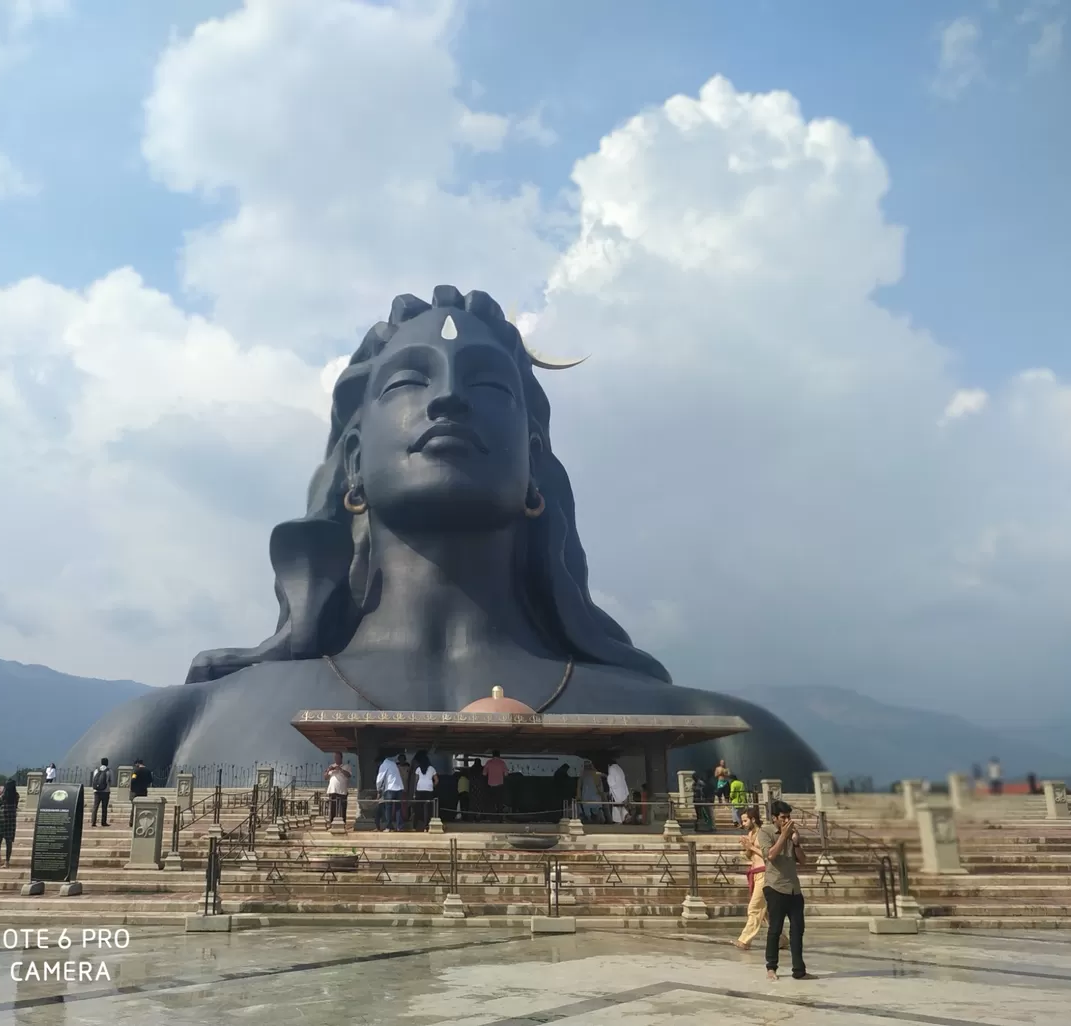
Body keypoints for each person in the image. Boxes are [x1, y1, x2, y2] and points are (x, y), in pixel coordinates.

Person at [63, 288, 827, 787]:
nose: (451, 401)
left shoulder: (726, 740)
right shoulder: (163, 734)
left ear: (536, 460)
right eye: (410, 381)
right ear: (353, 462)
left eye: (488, 384)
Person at [757, 800, 811, 981]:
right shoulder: (765, 832)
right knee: (775, 929)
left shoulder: (793, 835)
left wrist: (796, 843)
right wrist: (783, 835)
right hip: (775, 887)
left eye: (788, 816)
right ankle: (771, 967)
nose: (787, 820)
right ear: (774, 818)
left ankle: (799, 969)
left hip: (794, 889)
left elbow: (803, 861)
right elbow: (770, 855)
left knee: (798, 930)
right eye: (783, 817)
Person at [734, 806, 787, 951]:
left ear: (753, 819)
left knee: (755, 907)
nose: (743, 824)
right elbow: (749, 855)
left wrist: (751, 846)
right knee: (766, 912)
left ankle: (744, 940)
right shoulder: (751, 833)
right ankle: (782, 939)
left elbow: (768, 854)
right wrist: (746, 847)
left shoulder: (763, 833)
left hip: (766, 873)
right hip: (755, 873)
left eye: (745, 820)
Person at [375, 752, 405, 831]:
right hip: (399, 787)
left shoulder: (383, 765)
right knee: (398, 808)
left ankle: (389, 826)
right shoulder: (393, 763)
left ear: (379, 762)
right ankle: (399, 826)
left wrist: (378, 790)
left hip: (390, 788)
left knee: (388, 808)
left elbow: (379, 780)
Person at [0, 780, 20, 868]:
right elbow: (16, 806)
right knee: (9, 842)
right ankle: (7, 862)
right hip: (11, 821)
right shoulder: (16, 796)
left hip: (2, 820)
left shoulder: (3, 796)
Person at [412, 750, 439, 830]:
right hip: (429, 790)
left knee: (418, 808)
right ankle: (426, 826)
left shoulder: (418, 769)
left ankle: (415, 826)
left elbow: (416, 781)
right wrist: (432, 786)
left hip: (419, 789)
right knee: (428, 809)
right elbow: (437, 780)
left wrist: (414, 792)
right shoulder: (432, 769)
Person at [324, 752, 352, 826]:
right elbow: (325, 777)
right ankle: (332, 823)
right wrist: (328, 770)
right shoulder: (331, 766)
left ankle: (343, 823)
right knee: (333, 808)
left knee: (342, 809)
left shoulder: (346, 766)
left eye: (338, 757)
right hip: (332, 790)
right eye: (335, 757)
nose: (336, 759)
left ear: (341, 758)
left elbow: (349, 775)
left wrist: (340, 769)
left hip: (342, 791)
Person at [484, 750, 509, 820]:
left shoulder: (488, 762)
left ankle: (491, 818)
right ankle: (500, 818)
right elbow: (506, 774)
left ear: (492, 755)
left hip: (490, 786)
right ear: (499, 755)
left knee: (491, 803)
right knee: (500, 802)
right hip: (499, 786)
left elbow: (484, 774)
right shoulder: (502, 763)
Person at [605, 757, 630, 824]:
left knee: (616, 808)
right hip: (622, 792)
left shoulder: (611, 769)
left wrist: (606, 777)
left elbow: (611, 782)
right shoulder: (619, 768)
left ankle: (619, 821)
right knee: (620, 806)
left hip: (616, 792)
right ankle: (626, 815)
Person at [128, 758, 152, 827]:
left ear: (138, 763)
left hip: (136, 791)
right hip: (144, 791)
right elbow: (150, 780)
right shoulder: (148, 771)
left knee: (134, 807)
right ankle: (141, 821)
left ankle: (132, 822)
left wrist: (132, 788)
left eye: (136, 764)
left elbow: (133, 780)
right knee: (142, 807)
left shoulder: (136, 771)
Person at [90, 758, 112, 827]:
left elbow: (93, 780)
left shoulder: (96, 770)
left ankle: (93, 822)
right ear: (107, 763)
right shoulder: (109, 771)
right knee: (104, 807)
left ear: (101, 763)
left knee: (95, 807)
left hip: (96, 791)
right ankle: (103, 822)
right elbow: (111, 781)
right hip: (105, 791)